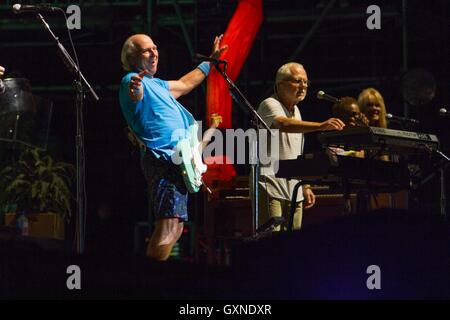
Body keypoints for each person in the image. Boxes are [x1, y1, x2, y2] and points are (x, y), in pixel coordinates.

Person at [119, 34, 227, 260]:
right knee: (168, 227)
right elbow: (134, 94)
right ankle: (150, 283)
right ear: (132, 57)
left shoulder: (157, 84)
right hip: (162, 160)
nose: (154, 53)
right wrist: (136, 90)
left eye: (155, 48)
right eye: (147, 50)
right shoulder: (131, 80)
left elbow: (187, 83)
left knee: (176, 228)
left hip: (177, 161)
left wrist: (211, 61)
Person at [257, 62, 345, 231]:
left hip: (294, 189)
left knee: (293, 244)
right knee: (272, 242)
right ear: (280, 84)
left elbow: (295, 151)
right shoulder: (269, 104)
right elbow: (283, 124)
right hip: (272, 186)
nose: (303, 86)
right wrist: (320, 126)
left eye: (305, 82)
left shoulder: (296, 110)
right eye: (298, 81)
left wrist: (305, 185)